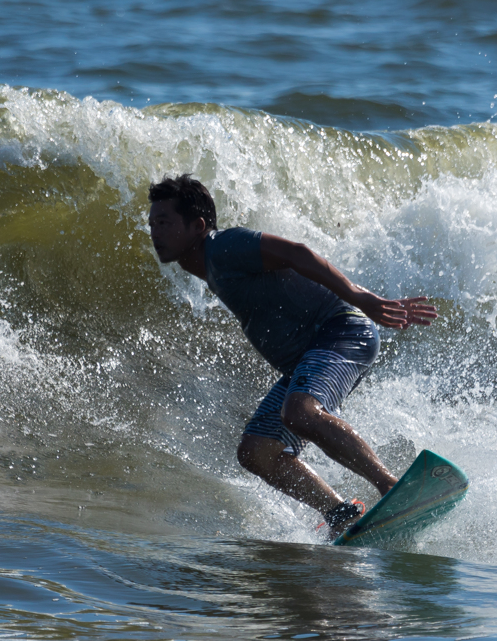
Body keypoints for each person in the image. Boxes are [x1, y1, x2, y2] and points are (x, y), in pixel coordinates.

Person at [147, 174, 438, 538]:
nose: (154, 232)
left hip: (340, 331)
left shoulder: (223, 246)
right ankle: (340, 513)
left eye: (163, 222)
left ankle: (394, 487)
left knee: (300, 412)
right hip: (309, 356)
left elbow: (297, 254)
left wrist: (363, 299)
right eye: (151, 224)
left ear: (198, 226)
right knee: (256, 451)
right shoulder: (212, 268)